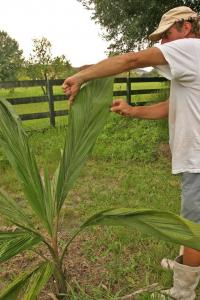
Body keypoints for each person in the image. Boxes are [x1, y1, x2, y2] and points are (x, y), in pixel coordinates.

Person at [63, 6, 200, 299]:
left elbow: (132, 59)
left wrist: (83, 76)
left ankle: (183, 290)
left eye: (166, 34)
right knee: (192, 217)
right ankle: (186, 265)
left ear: (186, 27)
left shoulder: (192, 48)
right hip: (194, 158)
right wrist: (133, 111)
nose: (162, 43)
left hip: (198, 161)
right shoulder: (192, 60)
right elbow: (172, 107)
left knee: (192, 223)